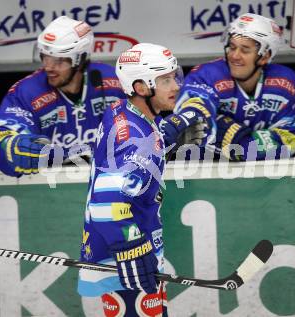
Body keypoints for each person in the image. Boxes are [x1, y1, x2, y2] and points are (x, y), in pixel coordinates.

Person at [77, 43, 204, 316]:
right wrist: (131, 248)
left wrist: (166, 132)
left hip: (132, 252)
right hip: (125, 261)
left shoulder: (122, 110)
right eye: (166, 80)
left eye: (175, 76)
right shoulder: (135, 142)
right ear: (142, 87)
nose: (176, 86)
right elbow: (105, 205)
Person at [0, 15, 125, 177]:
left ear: (80, 59)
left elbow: (147, 120)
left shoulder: (114, 80)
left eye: (59, 61)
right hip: (50, 191)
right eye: (45, 57)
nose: (48, 67)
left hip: (111, 184)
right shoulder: (27, 92)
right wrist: (13, 147)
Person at [162, 13, 295, 161]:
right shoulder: (206, 75)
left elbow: (291, 137)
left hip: (268, 178)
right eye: (232, 47)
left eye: (245, 50)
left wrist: (241, 143)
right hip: (204, 173)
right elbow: (195, 116)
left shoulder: (286, 83)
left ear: (265, 56)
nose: (234, 56)